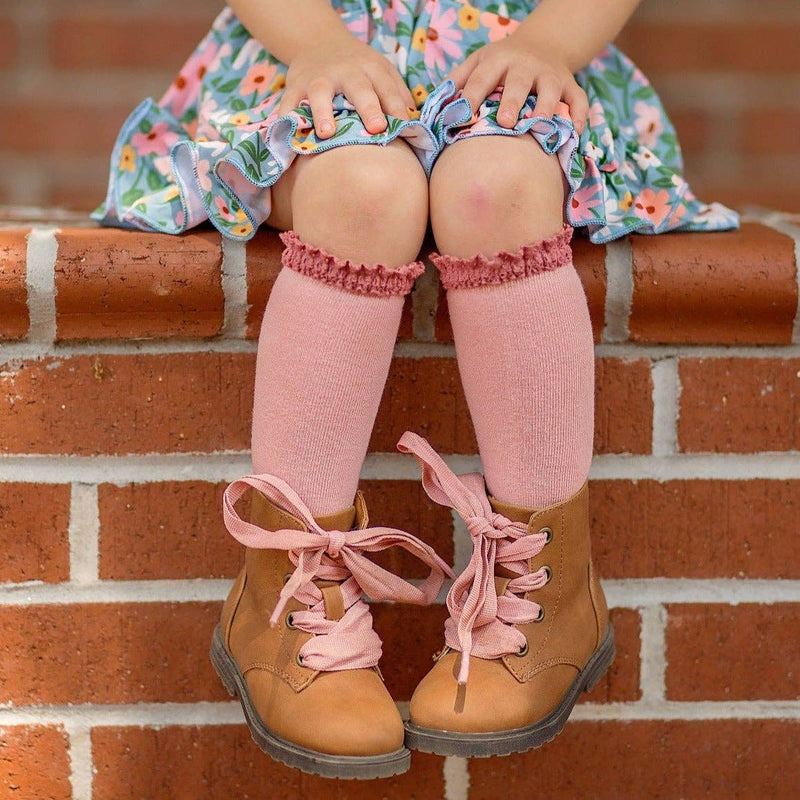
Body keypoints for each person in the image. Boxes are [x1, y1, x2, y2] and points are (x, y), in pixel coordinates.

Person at [93, 0, 740, 781]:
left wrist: (550, 41)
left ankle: (550, 587)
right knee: (365, 191)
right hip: (315, 54)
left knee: (492, 186)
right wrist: (319, 44)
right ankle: (290, 590)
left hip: (512, 63)